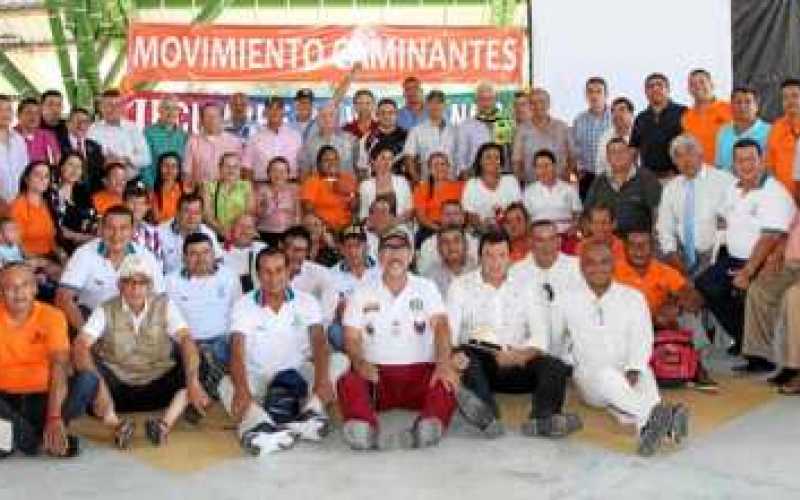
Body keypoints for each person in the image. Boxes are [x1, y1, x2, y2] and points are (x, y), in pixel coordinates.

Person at [556, 241, 689, 456]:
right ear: (581, 267)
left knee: (644, 374)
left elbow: (644, 338)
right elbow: (557, 342)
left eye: (604, 262)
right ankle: (661, 416)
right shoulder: (566, 300)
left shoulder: (633, 297)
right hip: (591, 379)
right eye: (591, 263)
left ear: (613, 265)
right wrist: (572, 362)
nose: (598, 268)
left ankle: (650, 427)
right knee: (608, 377)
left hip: (628, 370)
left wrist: (635, 367)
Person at [448, 229, 580, 438]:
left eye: (501, 255)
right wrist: (457, 354)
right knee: (465, 353)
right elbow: (451, 333)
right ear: (479, 257)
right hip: (482, 365)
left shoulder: (527, 286)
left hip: (519, 361)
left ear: (510, 257)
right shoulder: (461, 286)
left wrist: (518, 356)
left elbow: (540, 336)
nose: (495, 262)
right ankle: (487, 415)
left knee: (556, 366)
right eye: (489, 255)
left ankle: (543, 419)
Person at [218, 246, 348, 456]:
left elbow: (319, 342)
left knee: (340, 360)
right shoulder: (243, 305)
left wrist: (322, 379)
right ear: (258, 275)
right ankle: (260, 424)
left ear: (288, 272)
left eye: (279, 270)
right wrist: (241, 390)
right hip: (258, 377)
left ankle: (310, 413)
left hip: (296, 375)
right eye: (267, 272)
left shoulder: (306, 301)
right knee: (226, 385)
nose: (273, 277)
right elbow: (237, 350)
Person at [70, 254, 210, 448]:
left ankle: (163, 425)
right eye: (129, 282)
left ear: (150, 285)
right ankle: (117, 425)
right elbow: (81, 344)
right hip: (118, 390)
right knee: (88, 372)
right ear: (120, 285)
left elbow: (185, 338)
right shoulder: (105, 309)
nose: (135, 288)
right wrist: (101, 389)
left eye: (142, 282)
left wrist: (193, 381)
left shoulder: (165, 305)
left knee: (198, 358)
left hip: (158, 385)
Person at [338, 226, 458, 450]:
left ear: (411, 255)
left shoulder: (426, 287)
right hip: (376, 378)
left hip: (420, 374)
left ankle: (429, 425)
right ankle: (364, 426)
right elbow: (351, 337)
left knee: (446, 380)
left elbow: (441, 326)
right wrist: (359, 362)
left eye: (401, 248)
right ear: (379, 255)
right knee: (348, 381)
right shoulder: (361, 291)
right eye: (388, 248)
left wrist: (443, 363)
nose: (394, 255)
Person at [695, 138, 796, 358]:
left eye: (751, 159)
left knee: (746, 290)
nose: (746, 165)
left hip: (765, 260)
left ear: (762, 161)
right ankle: (743, 338)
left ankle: (758, 354)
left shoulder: (773, 192)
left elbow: (770, 238)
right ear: (733, 164)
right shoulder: (733, 187)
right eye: (740, 161)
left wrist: (748, 271)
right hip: (733, 258)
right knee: (706, 284)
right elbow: (723, 218)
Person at [0, 263, 86, 458]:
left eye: (25, 285)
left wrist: (54, 416)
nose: (18, 292)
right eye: (10, 287)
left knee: (86, 381)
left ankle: (17, 436)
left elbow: (60, 365)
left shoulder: (53, 317)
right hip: (3, 400)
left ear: (35, 288)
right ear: (1, 291)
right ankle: (35, 441)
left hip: (42, 398)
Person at [615, 227, 716, 390]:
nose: (639, 250)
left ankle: (697, 366)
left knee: (688, 317)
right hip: (627, 327)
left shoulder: (664, 271)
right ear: (625, 248)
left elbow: (696, 299)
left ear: (653, 248)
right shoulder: (614, 271)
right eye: (633, 245)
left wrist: (677, 305)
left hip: (659, 324)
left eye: (644, 245)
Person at [56, 205, 164, 332]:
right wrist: (87, 335)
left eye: (123, 228)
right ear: (101, 228)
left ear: (133, 230)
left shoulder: (146, 257)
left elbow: (160, 299)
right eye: (110, 228)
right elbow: (63, 297)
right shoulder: (84, 253)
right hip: (92, 322)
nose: (116, 235)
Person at [657, 134, 737, 275]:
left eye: (690, 153)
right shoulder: (670, 188)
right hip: (680, 254)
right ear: (674, 162)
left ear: (701, 154)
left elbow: (736, 220)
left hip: (716, 254)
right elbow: (664, 227)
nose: (686, 160)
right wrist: (672, 255)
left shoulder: (725, 181)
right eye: (679, 156)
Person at [509, 220, 584, 360]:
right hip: (529, 355)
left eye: (551, 239)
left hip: (571, 354)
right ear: (530, 243)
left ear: (559, 241)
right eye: (540, 240)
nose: (546, 246)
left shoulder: (577, 268)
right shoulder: (515, 273)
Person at [166, 232, 241, 370]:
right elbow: (169, 320)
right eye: (193, 254)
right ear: (184, 258)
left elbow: (238, 314)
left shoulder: (229, 276)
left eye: (206, 252)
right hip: (187, 343)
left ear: (213, 254)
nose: (201, 259)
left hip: (222, 341)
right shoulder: (171, 281)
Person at [742, 216, 800, 384]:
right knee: (759, 289)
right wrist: (776, 254)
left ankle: (793, 367)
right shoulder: (793, 208)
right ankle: (760, 355)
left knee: (794, 296)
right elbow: (784, 234)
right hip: (790, 266)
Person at [584, 138, 661, 235]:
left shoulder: (647, 178)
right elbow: (587, 214)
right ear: (607, 158)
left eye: (622, 151)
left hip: (637, 243)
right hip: (607, 243)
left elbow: (658, 212)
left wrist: (654, 238)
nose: (618, 155)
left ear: (630, 154)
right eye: (613, 152)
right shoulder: (599, 181)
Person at [325, 225, 382, 351]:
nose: (353, 251)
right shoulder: (331, 275)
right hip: (347, 326)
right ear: (341, 249)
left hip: (378, 321)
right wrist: (337, 313)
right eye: (348, 246)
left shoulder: (381, 270)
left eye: (357, 246)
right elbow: (328, 316)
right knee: (335, 331)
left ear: (366, 247)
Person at [522, 149, 582, 252]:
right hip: (538, 239)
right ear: (535, 170)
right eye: (539, 167)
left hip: (565, 237)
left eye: (547, 165)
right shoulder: (528, 192)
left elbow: (579, 215)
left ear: (554, 166)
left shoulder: (569, 189)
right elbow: (524, 220)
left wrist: (573, 229)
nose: (544, 170)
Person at [629, 73, 687, 180]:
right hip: (647, 179)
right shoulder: (640, 118)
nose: (655, 89)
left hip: (676, 177)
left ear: (668, 89)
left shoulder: (683, 113)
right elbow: (633, 150)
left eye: (660, 85)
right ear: (646, 92)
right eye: (650, 86)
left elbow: (691, 146)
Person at [512, 88, 575, 183]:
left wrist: (566, 175)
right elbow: (516, 161)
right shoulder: (521, 130)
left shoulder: (562, 127)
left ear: (549, 104)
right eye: (533, 103)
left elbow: (572, 156)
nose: (538, 106)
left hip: (559, 186)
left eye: (541, 101)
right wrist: (523, 181)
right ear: (529, 106)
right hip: (532, 187)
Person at [88, 89, 150, 181]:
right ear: (101, 107)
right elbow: (88, 159)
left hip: (130, 183)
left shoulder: (133, 128)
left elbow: (146, 159)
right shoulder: (92, 129)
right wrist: (104, 161)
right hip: (102, 183)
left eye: (117, 105)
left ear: (122, 107)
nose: (113, 109)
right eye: (109, 105)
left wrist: (126, 159)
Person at [462, 142, 522, 233]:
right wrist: (483, 227)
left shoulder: (511, 180)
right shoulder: (471, 184)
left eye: (497, 157)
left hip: (510, 230)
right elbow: (470, 215)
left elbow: (519, 210)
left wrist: (506, 225)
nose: (493, 160)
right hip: (481, 232)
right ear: (480, 161)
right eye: (488, 157)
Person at [158, 192, 221, 275]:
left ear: (202, 215)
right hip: (170, 283)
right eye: (187, 212)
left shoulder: (208, 233)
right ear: (177, 213)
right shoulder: (159, 233)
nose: (192, 217)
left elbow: (218, 261)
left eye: (196, 213)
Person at [403, 90, 457, 183]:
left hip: (452, 183)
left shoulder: (455, 130)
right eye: (431, 103)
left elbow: (460, 158)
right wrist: (417, 181)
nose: (435, 106)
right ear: (426, 106)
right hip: (427, 184)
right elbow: (408, 158)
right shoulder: (416, 130)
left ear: (444, 105)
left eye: (439, 102)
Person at [680, 69, 732, 166]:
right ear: (689, 90)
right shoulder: (686, 117)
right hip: (700, 173)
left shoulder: (730, 109)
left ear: (712, 84)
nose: (698, 86)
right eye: (693, 84)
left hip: (728, 171)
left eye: (702, 82)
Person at [243, 96, 302, 182]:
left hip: (290, 184)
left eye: (278, 108)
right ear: (265, 112)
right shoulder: (254, 139)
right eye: (270, 108)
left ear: (283, 112)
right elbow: (247, 167)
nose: (274, 112)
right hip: (262, 185)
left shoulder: (296, 137)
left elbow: (303, 166)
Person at [300, 146, 358, 233]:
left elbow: (355, 208)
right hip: (323, 228)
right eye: (327, 160)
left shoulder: (348, 178)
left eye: (335, 159)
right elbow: (308, 210)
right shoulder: (312, 181)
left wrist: (350, 193)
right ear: (319, 164)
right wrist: (326, 226)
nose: (332, 163)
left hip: (347, 228)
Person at [10, 161, 59, 260]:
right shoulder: (17, 206)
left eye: (46, 176)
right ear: (26, 179)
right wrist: (45, 264)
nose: (42, 179)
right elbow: (17, 246)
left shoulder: (47, 203)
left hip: (50, 255)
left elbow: (51, 238)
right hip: (29, 261)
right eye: (37, 175)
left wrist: (61, 254)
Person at [183, 102, 242, 185]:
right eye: (207, 116)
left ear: (222, 119)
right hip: (201, 192)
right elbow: (187, 172)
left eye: (216, 116)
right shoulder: (193, 142)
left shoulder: (234, 142)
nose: (212, 119)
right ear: (202, 120)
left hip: (228, 193)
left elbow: (240, 171)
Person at [715, 86, 771, 172]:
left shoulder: (770, 132)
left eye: (748, 102)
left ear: (756, 106)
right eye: (738, 102)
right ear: (731, 106)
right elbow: (719, 165)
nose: (742, 106)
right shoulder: (723, 131)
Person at [51, 152, 96, 254]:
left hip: (87, 242)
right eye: (70, 165)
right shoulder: (52, 193)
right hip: (63, 246)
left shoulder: (82, 192)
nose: (74, 170)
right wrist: (81, 237)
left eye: (78, 167)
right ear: (61, 167)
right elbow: (59, 230)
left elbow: (92, 219)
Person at [572, 77, 612, 196]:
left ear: (606, 94)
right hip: (586, 177)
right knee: (588, 212)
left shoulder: (615, 118)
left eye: (598, 91)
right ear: (586, 95)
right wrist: (577, 169)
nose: (594, 95)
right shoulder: (579, 120)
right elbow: (574, 149)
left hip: (610, 175)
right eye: (590, 91)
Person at [412, 152, 464, 241]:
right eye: (435, 165)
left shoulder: (461, 187)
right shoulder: (421, 189)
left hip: (457, 226)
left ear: (448, 167)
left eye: (443, 164)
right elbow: (421, 217)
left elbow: (466, 213)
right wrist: (439, 229)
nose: (439, 168)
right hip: (431, 228)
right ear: (429, 169)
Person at [418, 200, 479, 275]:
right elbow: (424, 272)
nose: (452, 218)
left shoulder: (474, 243)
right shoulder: (428, 244)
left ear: (463, 218)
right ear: (440, 218)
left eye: (456, 214)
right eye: (447, 214)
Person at [201, 153, 254, 238]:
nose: (231, 169)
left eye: (235, 166)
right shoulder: (208, 187)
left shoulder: (246, 186)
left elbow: (249, 213)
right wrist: (222, 231)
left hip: (241, 234)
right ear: (220, 168)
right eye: (227, 166)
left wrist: (237, 232)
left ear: (240, 169)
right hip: (215, 234)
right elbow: (207, 216)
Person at [283, 225, 337, 307]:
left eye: (299, 250)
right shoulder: (268, 271)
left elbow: (327, 311)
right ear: (280, 247)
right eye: (288, 248)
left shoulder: (320, 274)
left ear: (307, 252)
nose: (291, 254)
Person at [358, 145, 413, 224]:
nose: (387, 162)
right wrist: (375, 225)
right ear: (373, 161)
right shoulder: (365, 185)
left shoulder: (402, 181)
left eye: (390, 159)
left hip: (398, 226)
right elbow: (363, 215)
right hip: (374, 228)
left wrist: (393, 223)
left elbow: (409, 211)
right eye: (383, 158)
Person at [254, 156, 301, 246]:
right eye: (274, 170)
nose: (278, 174)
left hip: (288, 234)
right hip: (265, 232)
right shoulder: (262, 190)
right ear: (268, 173)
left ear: (288, 174)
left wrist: (296, 235)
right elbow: (256, 215)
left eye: (283, 171)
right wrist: (267, 205)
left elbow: (298, 216)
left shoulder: (294, 189)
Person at [299, 104, 356, 176]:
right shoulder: (309, 145)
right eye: (323, 116)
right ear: (317, 120)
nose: (327, 119)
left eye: (331, 115)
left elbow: (359, 169)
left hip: (346, 185)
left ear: (337, 119)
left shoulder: (351, 140)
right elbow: (304, 174)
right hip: (319, 186)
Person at [143, 97, 187, 189]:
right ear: (159, 110)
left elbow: (185, 165)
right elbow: (144, 165)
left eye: (175, 108)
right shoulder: (148, 133)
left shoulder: (183, 135)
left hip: (178, 188)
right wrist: (151, 187)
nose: (171, 112)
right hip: (155, 187)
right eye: (167, 108)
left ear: (179, 111)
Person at [356, 99, 408, 177]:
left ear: (397, 114)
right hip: (375, 184)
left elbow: (413, 164)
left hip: (401, 184)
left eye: (390, 113)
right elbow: (362, 168)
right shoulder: (367, 138)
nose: (386, 116)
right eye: (382, 113)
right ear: (377, 115)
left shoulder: (408, 137)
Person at [456, 82, 498, 177]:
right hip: (475, 177)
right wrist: (464, 174)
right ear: (476, 101)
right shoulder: (465, 126)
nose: (486, 103)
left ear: (495, 100)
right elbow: (460, 156)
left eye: (489, 99)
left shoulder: (505, 124)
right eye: (482, 99)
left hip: (500, 178)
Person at [423, 225, 478, 297]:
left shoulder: (479, 271)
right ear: (438, 248)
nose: (451, 246)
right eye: (445, 242)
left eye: (456, 241)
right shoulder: (429, 277)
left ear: (466, 245)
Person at [768, 79, 800, 200]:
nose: (790, 101)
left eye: (795, 96)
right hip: (784, 200)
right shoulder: (776, 127)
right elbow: (770, 166)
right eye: (785, 97)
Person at [60, 107, 105, 193]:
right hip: (67, 192)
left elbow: (99, 173)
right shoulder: (59, 144)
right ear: (68, 124)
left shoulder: (95, 146)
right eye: (77, 121)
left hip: (91, 194)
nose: (81, 125)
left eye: (85, 122)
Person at [221, 213, 266, 293]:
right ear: (232, 229)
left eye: (249, 227)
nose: (244, 231)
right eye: (240, 226)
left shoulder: (263, 249)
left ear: (255, 232)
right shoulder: (220, 252)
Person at [0, 95, 29, 205]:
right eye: (0, 109)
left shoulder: (18, 139)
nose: (5, 113)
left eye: (8, 109)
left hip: (20, 202)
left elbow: (26, 170)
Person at [15, 97, 61, 165]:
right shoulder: (10, 135)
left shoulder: (48, 135)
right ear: (18, 115)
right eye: (29, 112)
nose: (33, 116)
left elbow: (57, 161)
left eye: (37, 113)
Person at [596, 97, 635, 177]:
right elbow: (600, 167)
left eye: (622, 110)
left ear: (631, 114)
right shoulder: (605, 137)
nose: (617, 114)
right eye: (613, 111)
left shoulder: (641, 134)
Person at [125, 184, 161, 259]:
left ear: (147, 207)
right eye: (132, 202)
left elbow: (158, 264)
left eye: (141, 203)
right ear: (124, 204)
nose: (137, 207)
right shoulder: (114, 230)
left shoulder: (153, 233)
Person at [150, 152, 185, 224]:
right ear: (159, 168)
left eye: (174, 166)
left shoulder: (186, 189)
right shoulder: (153, 192)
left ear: (179, 170)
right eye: (165, 166)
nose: (169, 170)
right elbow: (157, 219)